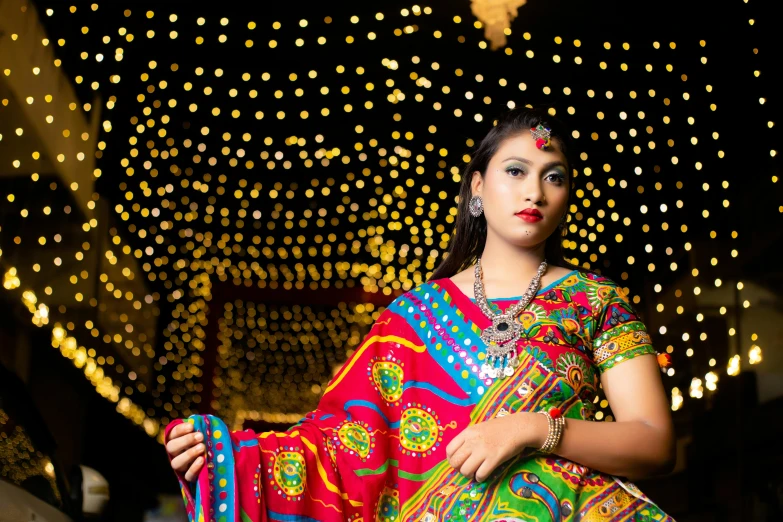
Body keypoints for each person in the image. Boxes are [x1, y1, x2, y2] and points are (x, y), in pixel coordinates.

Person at [164, 107, 677, 521]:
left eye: (554, 177)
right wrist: (229, 460)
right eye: (516, 171)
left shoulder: (597, 299)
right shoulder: (411, 318)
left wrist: (532, 429)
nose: (534, 192)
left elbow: (654, 443)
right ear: (477, 187)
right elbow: (344, 445)